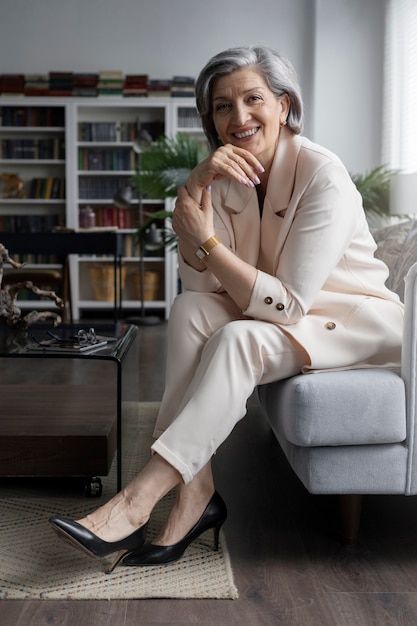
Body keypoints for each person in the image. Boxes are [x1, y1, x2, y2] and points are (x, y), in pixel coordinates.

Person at [49, 45, 403, 572]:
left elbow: (285, 305)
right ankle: (196, 496)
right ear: (210, 120)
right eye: (221, 106)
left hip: (349, 325)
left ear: (284, 106)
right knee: (189, 311)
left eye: (253, 99)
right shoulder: (224, 176)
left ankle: (137, 500)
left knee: (239, 339)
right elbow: (202, 288)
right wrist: (194, 190)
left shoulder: (321, 175)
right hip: (285, 318)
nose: (238, 117)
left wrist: (207, 244)